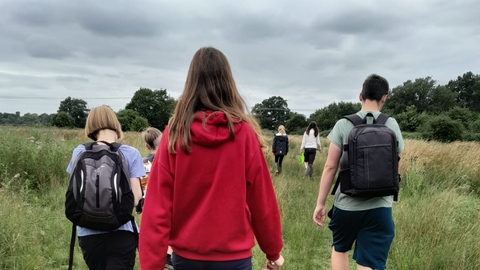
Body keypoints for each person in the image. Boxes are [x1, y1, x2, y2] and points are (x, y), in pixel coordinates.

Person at [139, 46, 284, 270]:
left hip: (187, 260)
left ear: (191, 83)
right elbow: (262, 200)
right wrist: (272, 251)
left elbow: (156, 208)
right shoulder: (243, 133)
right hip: (234, 260)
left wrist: (151, 265)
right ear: (228, 83)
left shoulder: (175, 133)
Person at [312, 74, 405, 270]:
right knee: (369, 262)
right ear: (384, 97)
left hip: (346, 205)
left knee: (340, 249)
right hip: (380, 207)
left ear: (360, 95)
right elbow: (396, 164)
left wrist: (320, 203)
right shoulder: (391, 124)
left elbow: (330, 166)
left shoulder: (343, 124)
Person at [66, 105, 144, 270]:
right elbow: (136, 197)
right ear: (115, 123)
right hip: (121, 231)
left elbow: (76, 191)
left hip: (88, 234)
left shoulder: (79, 151)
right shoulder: (131, 153)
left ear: (90, 125)